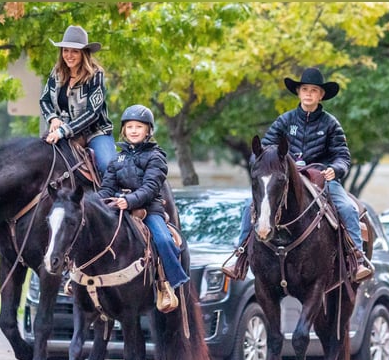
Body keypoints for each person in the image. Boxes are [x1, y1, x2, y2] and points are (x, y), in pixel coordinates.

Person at [222, 67, 373, 282]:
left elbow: (343, 156)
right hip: (287, 179)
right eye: (305, 89)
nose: (309, 94)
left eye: (314, 90)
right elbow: (263, 150)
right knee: (250, 207)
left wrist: (336, 169)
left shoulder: (331, 124)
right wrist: (264, 167)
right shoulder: (284, 121)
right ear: (299, 93)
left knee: (347, 207)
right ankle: (240, 256)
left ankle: (357, 258)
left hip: (322, 178)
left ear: (321, 95)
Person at [97, 104, 188, 313]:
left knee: (164, 240)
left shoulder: (156, 157)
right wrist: (94, 203)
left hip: (148, 208)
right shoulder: (116, 158)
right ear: (124, 130)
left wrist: (129, 201)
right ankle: (77, 278)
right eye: (130, 127)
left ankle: (167, 283)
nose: (134, 131)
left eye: (139, 126)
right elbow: (107, 188)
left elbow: (150, 188)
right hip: (118, 206)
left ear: (148, 130)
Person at [40, 25, 116, 175]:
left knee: (108, 166)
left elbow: (93, 113)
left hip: (95, 132)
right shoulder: (56, 72)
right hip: (62, 131)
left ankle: (116, 197)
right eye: (65, 50)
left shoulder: (96, 75)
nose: (69, 55)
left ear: (84, 54)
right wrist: (53, 118)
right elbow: (45, 100)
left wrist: (62, 131)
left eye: (75, 51)